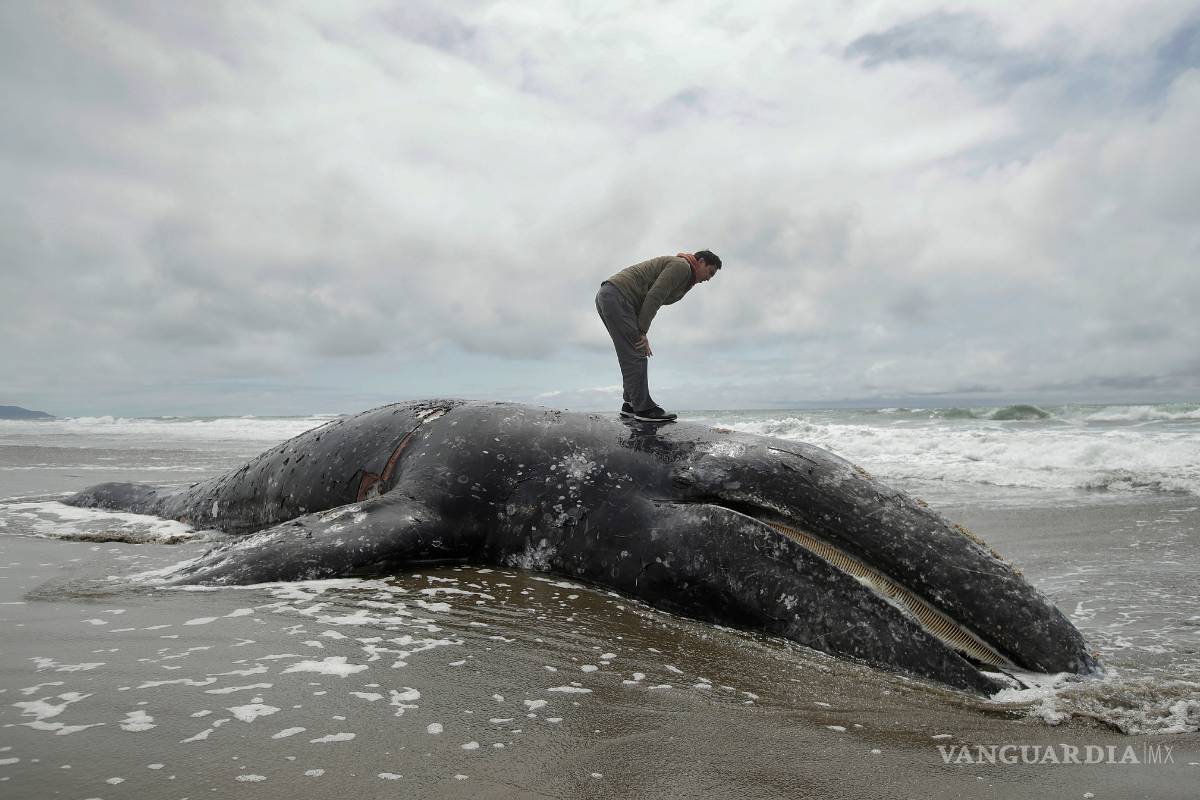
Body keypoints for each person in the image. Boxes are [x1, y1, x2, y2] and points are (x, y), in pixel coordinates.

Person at [595, 250, 722, 422]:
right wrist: (642, 331)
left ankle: (631, 404)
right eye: (710, 272)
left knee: (631, 353)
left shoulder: (685, 274)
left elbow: (649, 296)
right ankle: (644, 409)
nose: (708, 279)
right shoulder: (682, 267)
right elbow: (655, 295)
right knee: (636, 352)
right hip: (617, 296)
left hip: (611, 296)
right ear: (700, 262)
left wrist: (640, 330)